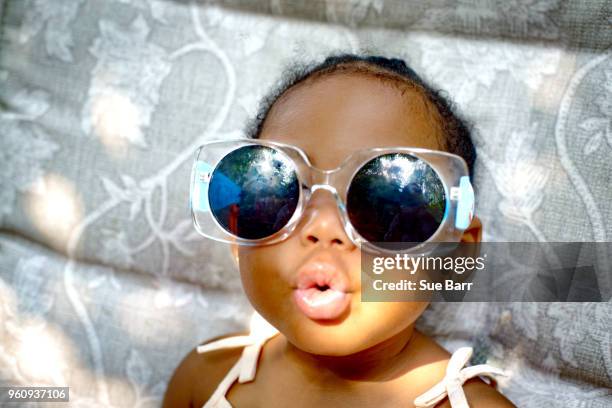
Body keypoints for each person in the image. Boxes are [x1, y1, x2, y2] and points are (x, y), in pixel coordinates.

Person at [163, 53, 515, 407]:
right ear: (239, 237)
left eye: (388, 202)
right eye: (272, 192)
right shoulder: (206, 376)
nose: (324, 227)